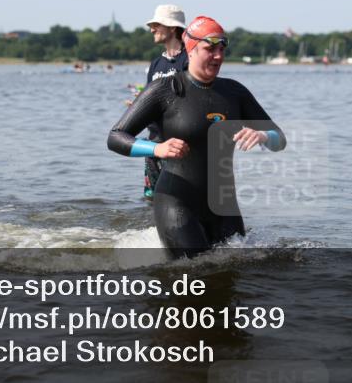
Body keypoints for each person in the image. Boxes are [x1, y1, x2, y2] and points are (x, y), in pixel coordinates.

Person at [108, 15, 286, 258]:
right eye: (210, 49)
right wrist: (155, 149)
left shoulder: (234, 92)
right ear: (190, 49)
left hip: (224, 206)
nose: (218, 56)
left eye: (222, 49)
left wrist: (263, 135)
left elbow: (280, 139)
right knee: (194, 274)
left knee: (236, 273)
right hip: (177, 202)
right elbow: (116, 137)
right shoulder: (165, 90)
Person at [139, 4, 189, 199]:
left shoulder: (189, 60)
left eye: (157, 25)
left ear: (173, 28)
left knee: (179, 200)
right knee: (152, 200)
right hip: (154, 143)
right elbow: (149, 98)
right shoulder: (155, 64)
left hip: (180, 146)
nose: (152, 29)